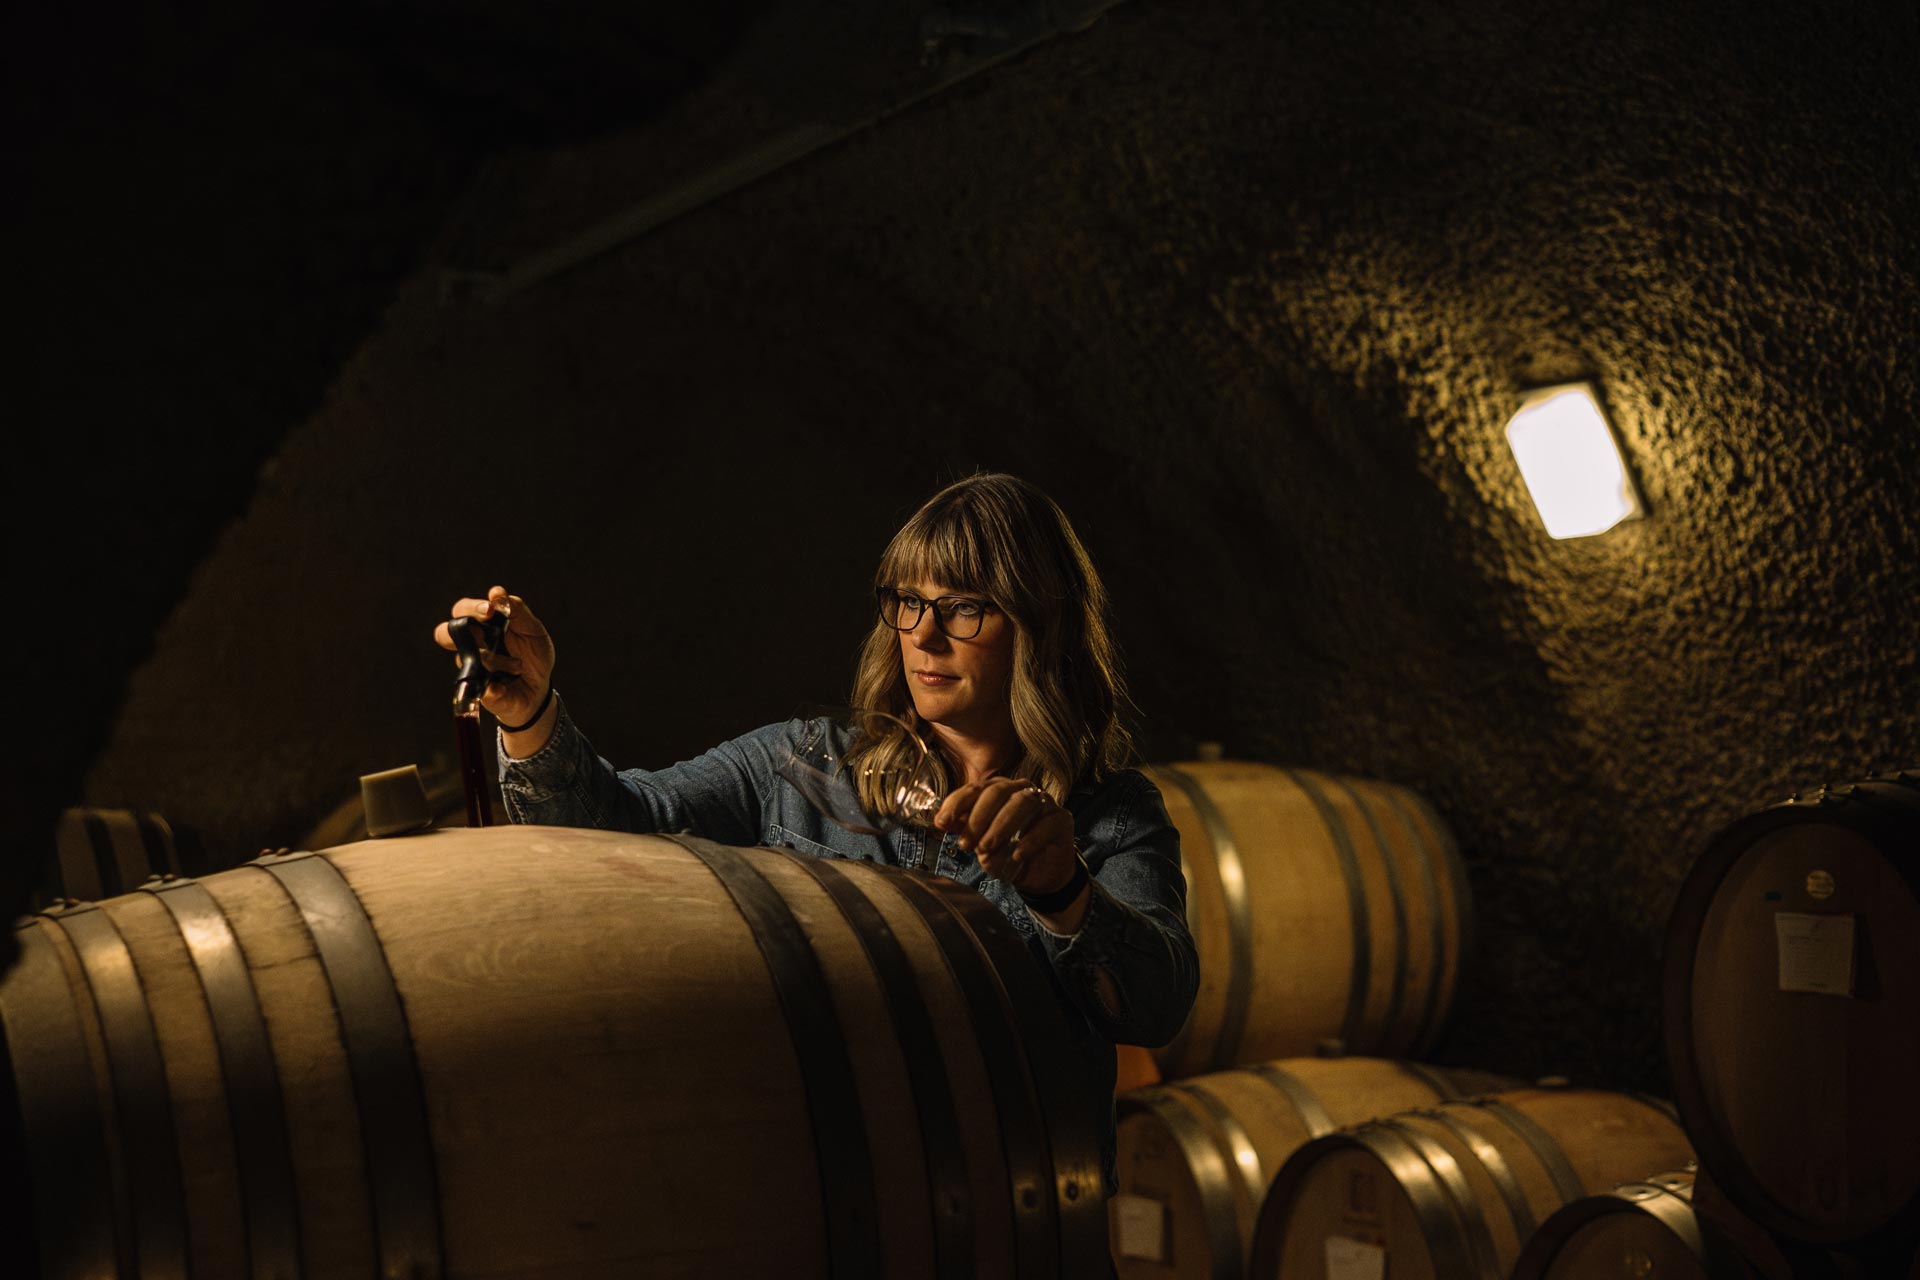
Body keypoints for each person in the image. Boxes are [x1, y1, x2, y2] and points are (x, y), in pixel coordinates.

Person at [433, 472, 1198, 1194]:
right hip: (834, 1220)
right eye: (908, 601)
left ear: (1040, 624)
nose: (925, 635)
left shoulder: (1106, 813)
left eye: (964, 606)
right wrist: (531, 715)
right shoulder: (802, 766)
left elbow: (1155, 1005)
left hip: (1020, 1231)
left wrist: (1062, 890)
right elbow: (608, 836)